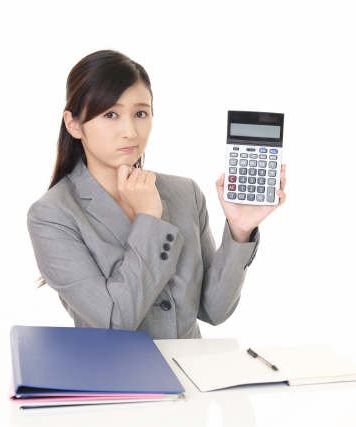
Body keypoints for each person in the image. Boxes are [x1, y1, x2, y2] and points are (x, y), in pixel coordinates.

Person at [27, 50, 287, 339]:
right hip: (115, 367)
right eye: (110, 114)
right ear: (74, 124)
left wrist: (239, 231)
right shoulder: (52, 214)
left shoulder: (185, 192)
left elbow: (214, 310)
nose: (130, 131)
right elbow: (114, 321)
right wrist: (149, 218)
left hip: (191, 366)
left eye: (140, 113)